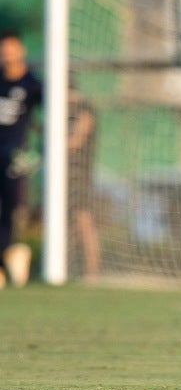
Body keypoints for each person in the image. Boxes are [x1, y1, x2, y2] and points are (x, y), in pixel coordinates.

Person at [0, 30, 42, 288]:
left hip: (14, 159)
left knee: (10, 210)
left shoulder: (33, 85)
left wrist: (37, 152)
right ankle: (10, 257)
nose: (7, 54)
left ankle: (8, 258)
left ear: (21, 50)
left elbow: (47, 120)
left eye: (10, 48)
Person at [68, 82, 100, 282]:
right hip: (62, 177)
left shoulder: (84, 109)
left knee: (83, 221)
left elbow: (76, 140)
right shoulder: (60, 110)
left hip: (79, 175)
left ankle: (91, 273)